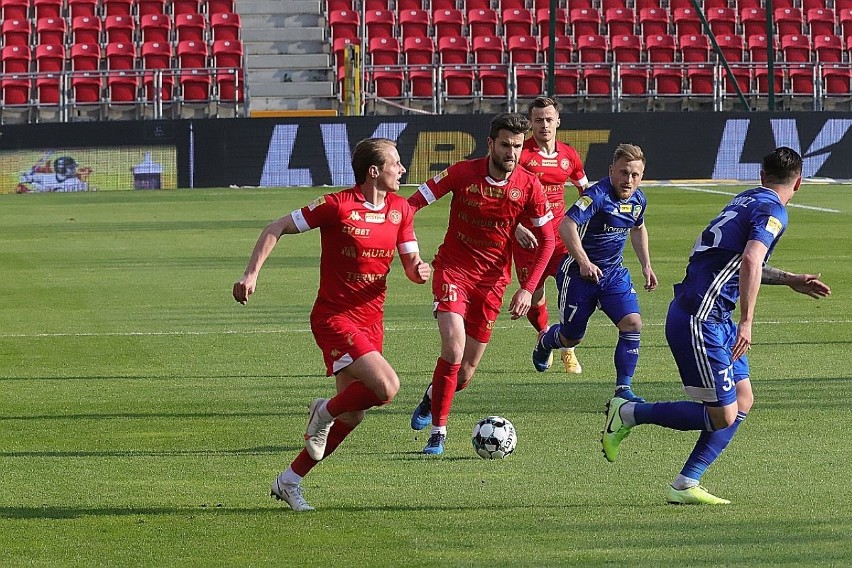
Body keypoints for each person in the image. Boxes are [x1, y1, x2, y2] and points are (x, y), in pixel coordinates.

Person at [601, 147, 831, 505]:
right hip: (700, 318)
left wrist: (787, 279)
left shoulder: (745, 199)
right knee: (722, 415)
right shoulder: (774, 211)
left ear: (761, 176)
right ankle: (628, 412)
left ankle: (685, 483)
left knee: (743, 400)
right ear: (798, 183)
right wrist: (748, 322)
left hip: (713, 316)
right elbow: (752, 259)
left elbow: (735, 263)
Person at [233, 138, 431, 511]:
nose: (402, 170)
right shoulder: (336, 206)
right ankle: (321, 411)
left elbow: (410, 265)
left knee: (354, 413)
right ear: (374, 171)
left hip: (372, 320)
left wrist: (420, 271)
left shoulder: (401, 210)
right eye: (396, 163)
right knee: (387, 387)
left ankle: (289, 481)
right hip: (334, 318)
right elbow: (276, 227)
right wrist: (251, 274)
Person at [407, 112, 556, 455]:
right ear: (490, 144)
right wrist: (410, 254)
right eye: (505, 145)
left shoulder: (528, 185)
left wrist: (528, 288)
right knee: (454, 349)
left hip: (492, 282)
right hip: (452, 271)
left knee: (464, 374)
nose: (512, 152)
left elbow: (547, 240)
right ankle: (439, 433)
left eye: (518, 146)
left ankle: (431, 397)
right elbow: (411, 205)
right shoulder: (462, 173)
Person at [532, 143, 657, 403]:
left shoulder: (638, 200)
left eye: (635, 175)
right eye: (623, 173)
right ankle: (546, 342)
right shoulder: (596, 195)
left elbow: (638, 228)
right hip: (578, 275)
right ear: (612, 171)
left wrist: (646, 265)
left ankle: (623, 389)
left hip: (613, 274)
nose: (628, 180)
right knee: (571, 336)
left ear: (641, 176)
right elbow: (567, 225)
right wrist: (584, 262)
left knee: (633, 323)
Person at [513, 96, 590, 374]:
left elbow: (586, 193)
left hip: (559, 238)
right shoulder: (520, 154)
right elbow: (501, 195)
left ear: (558, 121)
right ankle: (544, 335)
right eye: (538, 120)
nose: (544, 125)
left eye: (548, 119)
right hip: (528, 239)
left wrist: (585, 224)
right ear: (530, 123)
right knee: (535, 295)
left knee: (570, 292)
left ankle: (568, 349)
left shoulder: (569, 155)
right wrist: (516, 228)